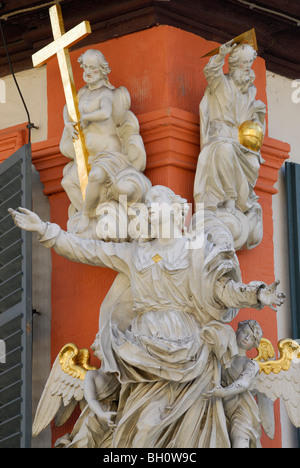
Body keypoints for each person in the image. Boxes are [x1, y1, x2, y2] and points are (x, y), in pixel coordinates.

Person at [8, 186, 285, 447]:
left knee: (178, 429)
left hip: (187, 350)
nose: (149, 208)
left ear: (175, 208)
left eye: (155, 202)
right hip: (143, 353)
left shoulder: (195, 250)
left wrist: (258, 295)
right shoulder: (137, 252)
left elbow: (222, 289)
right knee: (141, 427)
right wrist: (46, 230)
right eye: (146, 205)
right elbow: (89, 250)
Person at [60, 49, 149, 234]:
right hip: (88, 157)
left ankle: (85, 215)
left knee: (96, 176)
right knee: (67, 182)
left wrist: (85, 117)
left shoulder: (107, 92)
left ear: (102, 69)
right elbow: (67, 108)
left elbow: (105, 112)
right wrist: (68, 124)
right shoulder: (81, 93)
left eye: (92, 68)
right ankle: (92, 213)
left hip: (109, 154)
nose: (88, 72)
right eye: (85, 67)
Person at [194, 40, 266, 216]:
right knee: (225, 150)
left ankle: (244, 201)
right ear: (234, 64)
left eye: (250, 62)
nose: (248, 67)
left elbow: (253, 114)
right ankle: (230, 198)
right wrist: (221, 55)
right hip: (220, 135)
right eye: (244, 62)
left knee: (254, 163)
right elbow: (210, 72)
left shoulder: (249, 90)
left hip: (240, 139)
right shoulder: (221, 84)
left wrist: (256, 120)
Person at [204, 320, 264, 448]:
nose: (246, 338)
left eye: (252, 338)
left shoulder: (251, 365)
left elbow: (243, 384)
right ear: (238, 330)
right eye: (245, 332)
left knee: (240, 442)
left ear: (254, 345)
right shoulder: (221, 356)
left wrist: (223, 392)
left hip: (242, 411)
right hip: (219, 408)